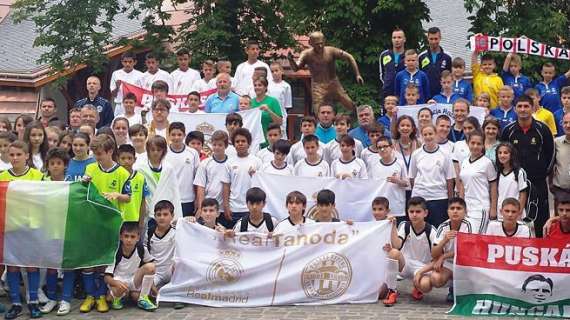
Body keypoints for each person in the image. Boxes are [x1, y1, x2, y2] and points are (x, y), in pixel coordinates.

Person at [81, 134, 131, 313]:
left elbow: (128, 197)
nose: (97, 157)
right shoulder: (90, 168)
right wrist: (83, 183)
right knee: (88, 261)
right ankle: (89, 295)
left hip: (111, 224)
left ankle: (101, 295)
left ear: (110, 151)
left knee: (103, 262)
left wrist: (117, 195)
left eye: (100, 153)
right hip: (92, 221)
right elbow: (83, 190)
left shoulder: (122, 173)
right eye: (94, 153)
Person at [0, 141, 44, 319]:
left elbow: (50, 197)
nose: (15, 158)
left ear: (27, 156)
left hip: (31, 227)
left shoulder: (37, 176)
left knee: (32, 267)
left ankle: (33, 302)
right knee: (12, 267)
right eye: (12, 155)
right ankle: (16, 303)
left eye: (19, 154)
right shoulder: (2, 176)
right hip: (10, 228)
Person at [501, 94, 554, 237]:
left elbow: (551, 154)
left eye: (526, 106)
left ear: (532, 108)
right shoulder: (508, 130)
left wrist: (543, 173)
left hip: (538, 181)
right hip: (515, 182)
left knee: (540, 218)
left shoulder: (543, 129)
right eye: (520, 106)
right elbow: (503, 153)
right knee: (515, 215)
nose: (523, 109)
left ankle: (540, 248)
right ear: (515, 109)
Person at [288, 31, 363, 114]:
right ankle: (320, 125)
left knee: (349, 103)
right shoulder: (306, 54)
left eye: (321, 43)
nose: (320, 46)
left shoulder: (331, 50)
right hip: (318, 85)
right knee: (318, 111)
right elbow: (296, 68)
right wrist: (291, 60)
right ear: (311, 43)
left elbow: (349, 57)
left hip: (333, 82)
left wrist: (358, 74)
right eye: (317, 44)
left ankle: (358, 119)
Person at [416, 197, 473, 302]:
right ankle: (453, 287)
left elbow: (465, 251)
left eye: (459, 208)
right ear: (447, 211)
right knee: (435, 279)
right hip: (448, 264)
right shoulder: (443, 226)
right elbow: (434, 253)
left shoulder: (469, 225)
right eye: (452, 208)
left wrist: (443, 256)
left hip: (464, 263)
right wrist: (444, 240)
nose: (455, 211)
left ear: (465, 211)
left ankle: (460, 289)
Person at [383, 197, 435, 306]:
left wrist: (421, 272)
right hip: (405, 264)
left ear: (425, 213)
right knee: (393, 253)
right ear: (408, 212)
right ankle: (392, 291)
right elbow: (397, 245)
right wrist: (393, 225)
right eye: (411, 211)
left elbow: (436, 257)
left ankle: (418, 287)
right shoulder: (405, 226)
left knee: (426, 285)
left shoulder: (431, 230)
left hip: (422, 267)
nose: (414, 214)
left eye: (418, 211)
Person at [104, 222, 157, 311]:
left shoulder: (141, 249)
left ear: (138, 238)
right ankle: (118, 298)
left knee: (151, 266)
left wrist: (153, 287)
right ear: (121, 237)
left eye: (132, 237)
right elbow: (106, 277)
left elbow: (150, 268)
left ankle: (143, 298)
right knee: (109, 298)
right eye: (126, 236)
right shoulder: (116, 252)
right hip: (119, 281)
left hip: (134, 279)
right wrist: (116, 283)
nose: (129, 240)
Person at [409, 125, 455, 228]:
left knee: (438, 230)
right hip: (420, 198)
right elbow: (412, 177)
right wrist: (417, 193)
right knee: (420, 230)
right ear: (421, 136)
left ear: (436, 134)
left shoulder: (445, 154)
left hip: (439, 198)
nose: (428, 137)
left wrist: (450, 201)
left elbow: (449, 179)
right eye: (425, 134)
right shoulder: (416, 154)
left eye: (430, 134)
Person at [221, 128, 262, 228]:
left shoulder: (257, 161)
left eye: (243, 141)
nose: (240, 143)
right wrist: (226, 206)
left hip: (252, 207)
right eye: (237, 141)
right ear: (233, 144)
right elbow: (226, 185)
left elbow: (262, 184)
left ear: (249, 143)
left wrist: (255, 175)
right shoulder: (229, 162)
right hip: (234, 208)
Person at [458, 130, 498, 234]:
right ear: (468, 143)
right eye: (472, 143)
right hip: (467, 207)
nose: (475, 146)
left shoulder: (487, 163)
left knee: (476, 239)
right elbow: (462, 184)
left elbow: (493, 186)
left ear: (483, 145)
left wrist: (493, 208)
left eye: (479, 144)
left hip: (480, 208)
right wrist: (461, 205)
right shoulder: (465, 161)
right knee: (465, 238)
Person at [165, 122, 200, 217]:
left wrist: (197, 199)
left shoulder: (193, 153)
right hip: (169, 198)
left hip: (188, 200)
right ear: (169, 135)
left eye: (179, 134)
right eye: (173, 135)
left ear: (184, 135)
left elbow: (197, 178)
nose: (176, 137)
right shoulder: (164, 152)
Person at [368, 137, 408, 217]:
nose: (382, 149)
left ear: (392, 147)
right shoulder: (373, 164)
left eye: (385, 146)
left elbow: (407, 183)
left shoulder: (400, 163)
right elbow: (369, 185)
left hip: (397, 208)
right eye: (379, 148)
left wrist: (398, 181)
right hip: (379, 210)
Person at [194, 131, 230, 216]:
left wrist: (227, 206)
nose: (217, 147)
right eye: (214, 145)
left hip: (225, 208)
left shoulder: (231, 163)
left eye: (220, 145)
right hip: (209, 208)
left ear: (226, 146)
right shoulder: (205, 163)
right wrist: (200, 208)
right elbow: (200, 186)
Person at [146, 200, 176, 290]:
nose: (162, 217)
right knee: (140, 292)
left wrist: (190, 219)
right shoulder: (149, 232)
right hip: (156, 272)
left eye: (165, 214)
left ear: (172, 216)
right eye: (159, 215)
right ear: (154, 216)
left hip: (172, 271)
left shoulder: (177, 232)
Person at [118, 144, 149, 228]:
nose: (126, 161)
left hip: (134, 220)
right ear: (117, 159)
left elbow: (143, 202)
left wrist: (141, 222)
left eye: (129, 158)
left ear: (135, 159)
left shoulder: (140, 178)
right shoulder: (115, 176)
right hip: (118, 220)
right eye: (123, 158)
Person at [495, 142, 528, 219]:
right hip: (501, 212)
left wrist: (519, 212)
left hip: (514, 213)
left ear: (511, 155)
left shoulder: (519, 172)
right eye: (500, 153)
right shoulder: (497, 172)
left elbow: (523, 194)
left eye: (505, 153)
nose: (502, 155)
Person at [419, 27, 452, 98]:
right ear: (427, 38)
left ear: (440, 38)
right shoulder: (421, 56)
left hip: (443, 96)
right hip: (425, 96)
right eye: (431, 39)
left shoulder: (448, 57)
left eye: (436, 39)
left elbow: (451, 77)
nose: (433, 41)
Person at [251, 76, 283, 148]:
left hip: (270, 141)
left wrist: (269, 111)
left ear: (265, 87)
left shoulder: (273, 101)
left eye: (260, 85)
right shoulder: (251, 102)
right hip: (254, 142)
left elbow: (280, 122)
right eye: (255, 85)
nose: (257, 87)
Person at [110, 52, 143, 117]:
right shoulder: (116, 74)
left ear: (135, 62)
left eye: (130, 62)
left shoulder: (141, 75)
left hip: (135, 106)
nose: (127, 64)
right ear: (122, 62)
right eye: (125, 62)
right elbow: (113, 94)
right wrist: (117, 87)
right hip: (120, 106)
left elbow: (142, 93)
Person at [379, 28, 407, 98]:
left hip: (404, 93)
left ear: (404, 39)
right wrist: (387, 83)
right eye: (394, 38)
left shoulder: (409, 56)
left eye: (399, 37)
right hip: (387, 93)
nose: (396, 40)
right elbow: (381, 73)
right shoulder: (384, 54)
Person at [550, 112, 570, 206]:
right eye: (565, 123)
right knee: (559, 220)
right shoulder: (556, 142)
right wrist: (551, 185)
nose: (568, 126)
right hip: (561, 192)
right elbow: (550, 165)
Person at [268, 61, 293, 136]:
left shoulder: (286, 86)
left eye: (276, 70)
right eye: (272, 71)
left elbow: (287, 105)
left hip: (281, 115)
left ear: (281, 71)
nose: (274, 73)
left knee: (281, 135)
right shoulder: (268, 84)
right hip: (268, 114)